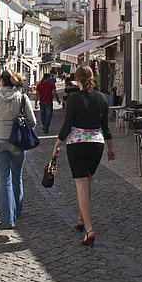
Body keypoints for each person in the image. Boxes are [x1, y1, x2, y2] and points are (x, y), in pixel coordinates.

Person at [52, 65, 115, 247]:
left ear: (77, 80)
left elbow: (67, 126)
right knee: (87, 182)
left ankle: (89, 230)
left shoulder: (74, 100)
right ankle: (81, 218)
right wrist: (111, 148)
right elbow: (106, 127)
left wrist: (57, 145)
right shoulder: (101, 98)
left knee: (81, 186)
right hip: (97, 145)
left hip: (77, 145)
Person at [0, 70, 36, 229]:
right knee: (17, 176)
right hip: (17, 141)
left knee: (4, 178)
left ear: (2, 82)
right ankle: (17, 210)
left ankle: (7, 220)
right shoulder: (22, 98)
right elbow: (32, 121)